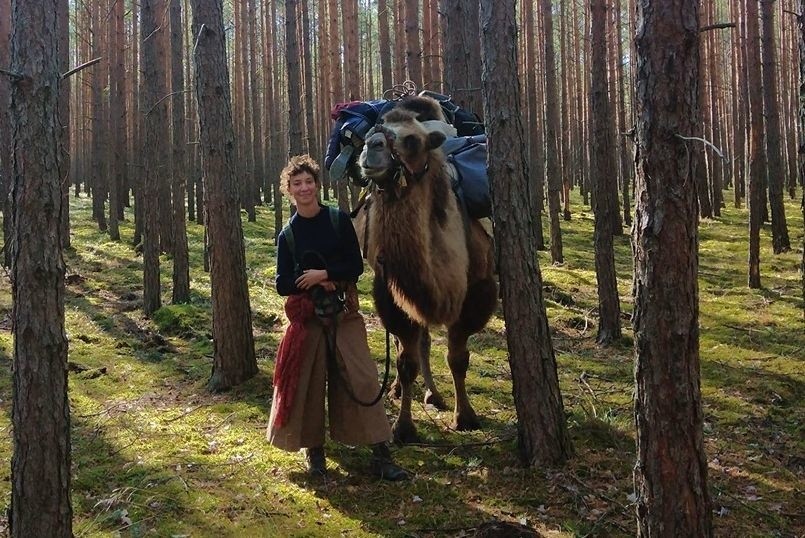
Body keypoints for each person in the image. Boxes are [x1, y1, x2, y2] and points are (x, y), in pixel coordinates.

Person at [266, 154, 409, 481]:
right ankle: (314, 453)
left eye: (309, 182)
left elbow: (355, 267)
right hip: (309, 320)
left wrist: (326, 274)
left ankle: (379, 451)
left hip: (344, 313)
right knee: (309, 384)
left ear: (317, 184)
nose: (304, 188)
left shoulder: (337, 221)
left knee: (362, 378)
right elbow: (281, 283)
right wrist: (310, 281)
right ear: (288, 190)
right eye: (297, 183)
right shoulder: (287, 235)